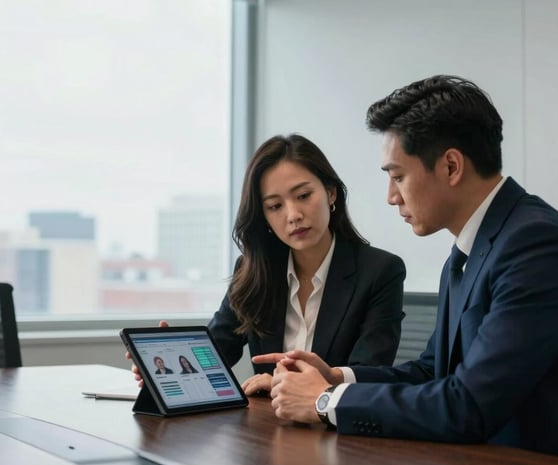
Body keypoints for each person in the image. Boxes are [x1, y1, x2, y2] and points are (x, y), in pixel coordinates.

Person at [255, 76, 558, 465]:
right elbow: (431, 372)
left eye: (398, 175)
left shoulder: (536, 245)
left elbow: (468, 404)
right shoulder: (469, 250)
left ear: (451, 166)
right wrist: (336, 378)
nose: (391, 196)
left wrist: (324, 402)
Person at [129, 134, 406, 395]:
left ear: (331, 193)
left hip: (337, 430)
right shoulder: (254, 270)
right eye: (275, 206)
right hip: (268, 430)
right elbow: (217, 351)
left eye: (303, 196)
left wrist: (283, 382)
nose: (293, 215)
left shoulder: (380, 271)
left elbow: (370, 373)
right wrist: (164, 365)